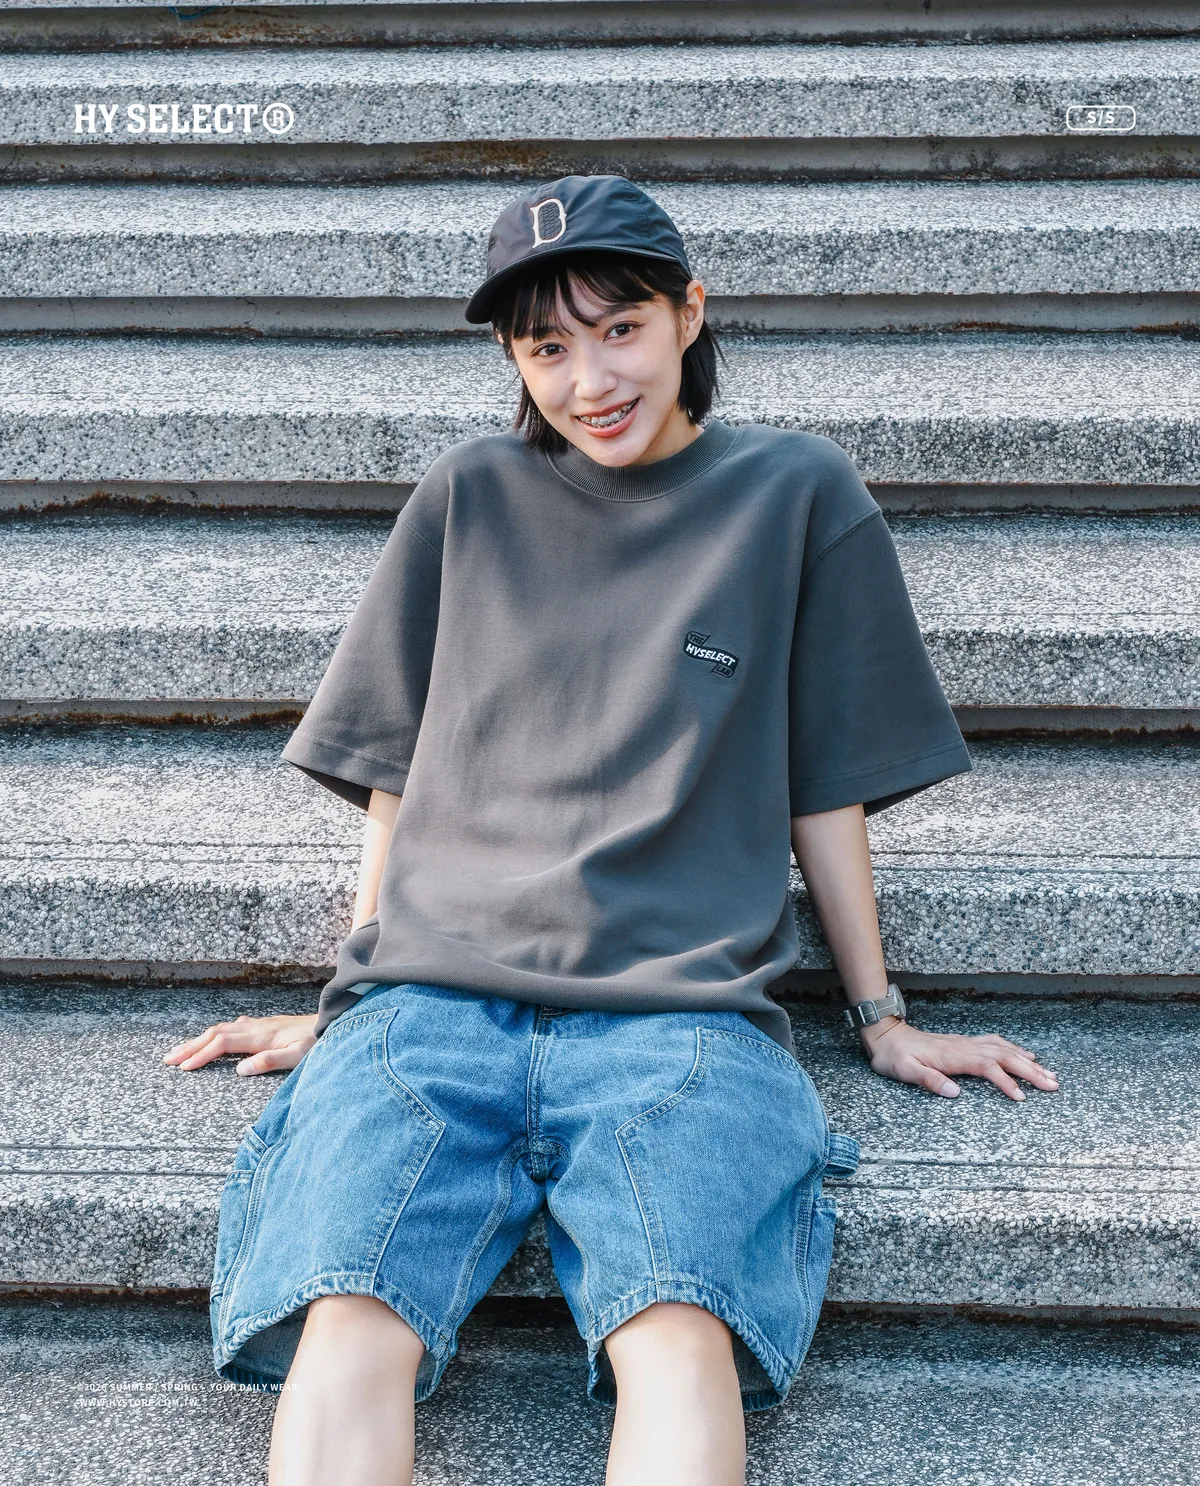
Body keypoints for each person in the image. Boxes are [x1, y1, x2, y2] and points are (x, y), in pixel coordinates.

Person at [165, 174, 1059, 1486]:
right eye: (547, 348)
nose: (590, 380)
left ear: (691, 311)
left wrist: (881, 1015)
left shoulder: (795, 494)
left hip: (681, 1014)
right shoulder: (469, 494)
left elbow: (826, 783)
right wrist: (350, 995)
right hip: (433, 1002)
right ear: (512, 362)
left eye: (621, 329)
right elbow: (399, 770)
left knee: (676, 1325)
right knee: (350, 1312)